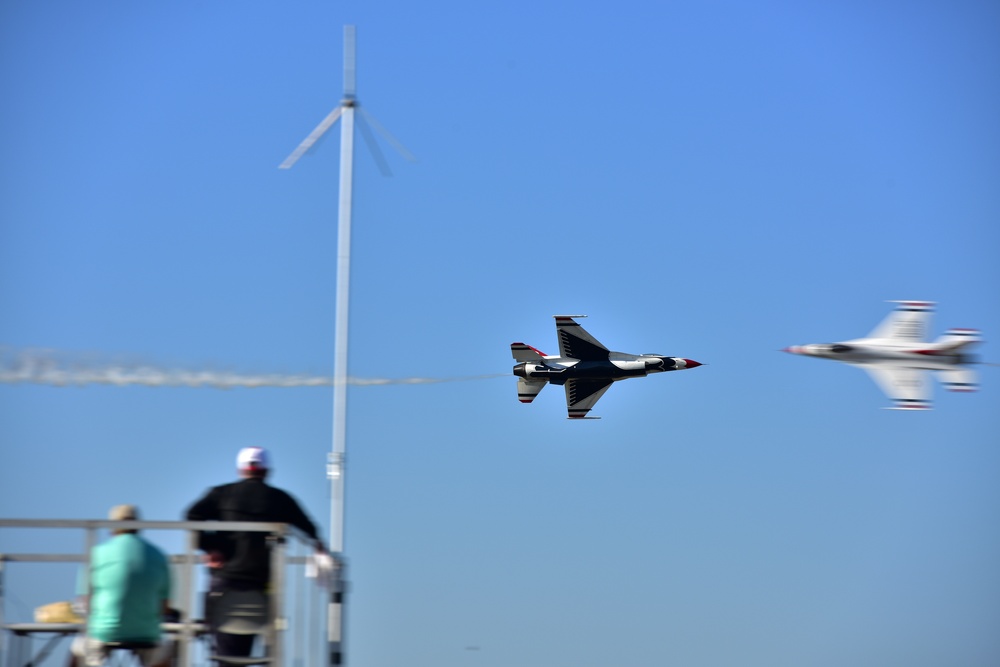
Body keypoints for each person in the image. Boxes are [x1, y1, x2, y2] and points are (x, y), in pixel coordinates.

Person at [185, 446, 325, 659]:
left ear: (241, 470)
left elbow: (191, 515)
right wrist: (320, 547)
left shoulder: (221, 494)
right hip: (262, 588)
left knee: (224, 651)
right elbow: (310, 529)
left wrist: (210, 547)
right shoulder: (280, 499)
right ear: (267, 471)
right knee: (250, 649)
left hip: (224, 586)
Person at [70, 504, 173, 667]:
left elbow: (85, 603)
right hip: (147, 632)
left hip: (104, 631)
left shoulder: (97, 553)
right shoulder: (159, 555)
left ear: (112, 527)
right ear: (139, 526)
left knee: (78, 650)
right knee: (163, 652)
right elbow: (165, 607)